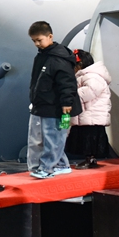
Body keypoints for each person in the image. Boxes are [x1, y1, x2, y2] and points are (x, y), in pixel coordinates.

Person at [26, 21, 80, 180]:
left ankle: (47, 168)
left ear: (50, 36)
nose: (37, 44)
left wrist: (66, 103)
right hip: (42, 105)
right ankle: (62, 165)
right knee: (50, 138)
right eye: (34, 41)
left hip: (57, 107)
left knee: (53, 137)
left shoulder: (59, 58)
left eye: (39, 40)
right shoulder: (42, 56)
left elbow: (67, 83)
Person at [66, 49, 112, 169]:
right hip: (88, 115)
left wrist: (72, 94)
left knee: (90, 140)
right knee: (84, 138)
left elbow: (90, 92)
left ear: (80, 65)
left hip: (92, 115)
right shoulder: (87, 76)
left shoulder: (93, 76)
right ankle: (88, 159)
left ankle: (90, 159)